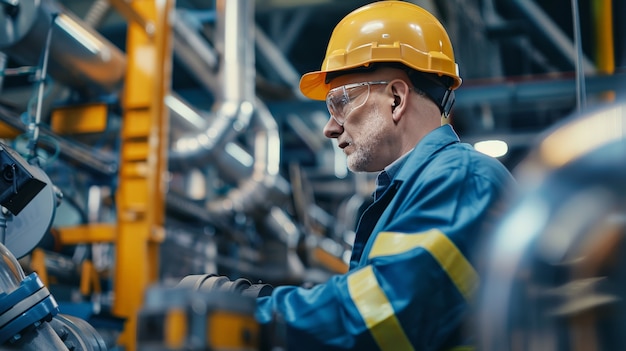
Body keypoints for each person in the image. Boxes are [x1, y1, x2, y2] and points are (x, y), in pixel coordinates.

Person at [255, 1, 515, 350]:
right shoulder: (415, 191)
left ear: (395, 98)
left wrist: (244, 311)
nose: (330, 128)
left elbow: (376, 317)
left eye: (340, 102)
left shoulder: (463, 180)